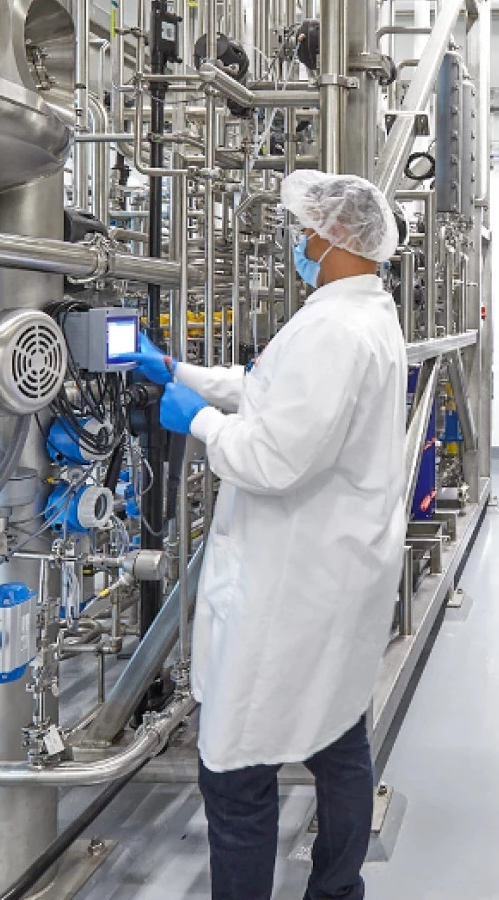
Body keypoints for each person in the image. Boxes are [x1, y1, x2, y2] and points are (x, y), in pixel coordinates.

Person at [116, 170, 406, 900]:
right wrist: (177, 370)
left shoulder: (335, 328)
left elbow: (272, 456)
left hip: (294, 579)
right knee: (338, 729)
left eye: (305, 230)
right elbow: (274, 390)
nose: (296, 242)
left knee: (238, 768)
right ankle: (337, 890)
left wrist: (198, 420)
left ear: (334, 237)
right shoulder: (360, 314)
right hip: (336, 566)